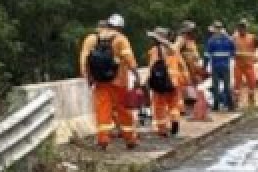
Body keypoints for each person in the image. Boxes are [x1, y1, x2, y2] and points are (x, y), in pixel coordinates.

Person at [78, 13, 139, 149]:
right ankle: (130, 139)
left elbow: (84, 59)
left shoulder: (92, 38)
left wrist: (87, 76)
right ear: (120, 27)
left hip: (99, 81)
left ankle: (103, 139)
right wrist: (136, 75)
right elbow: (130, 60)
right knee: (123, 110)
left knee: (102, 109)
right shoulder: (121, 39)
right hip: (119, 81)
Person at [145, 28, 189, 137]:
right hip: (174, 82)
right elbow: (182, 65)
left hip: (161, 82)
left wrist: (147, 81)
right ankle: (175, 123)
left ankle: (162, 129)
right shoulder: (174, 50)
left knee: (159, 106)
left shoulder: (155, 51)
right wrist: (185, 79)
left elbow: (152, 67)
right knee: (173, 105)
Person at [204, 21, 236, 111]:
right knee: (226, 86)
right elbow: (233, 51)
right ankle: (230, 106)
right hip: (225, 66)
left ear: (214, 29)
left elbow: (206, 55)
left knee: (216, 86)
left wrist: (204, 67)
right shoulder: (228, 39)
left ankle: (216, 106)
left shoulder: (211, 40)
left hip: (215, 66)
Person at [232, 19, 258, 108]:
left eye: (243, 27)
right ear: (238, 28)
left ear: (246, 28)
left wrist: (255, 55)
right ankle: (236, 102)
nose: (242, 29)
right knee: (237, 84)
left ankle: (251, 101)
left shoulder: (252, 37)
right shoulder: (234, 38)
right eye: (240, 27)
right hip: (239, 65)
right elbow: (230, 49)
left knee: (252, 83)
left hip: (249, 65)